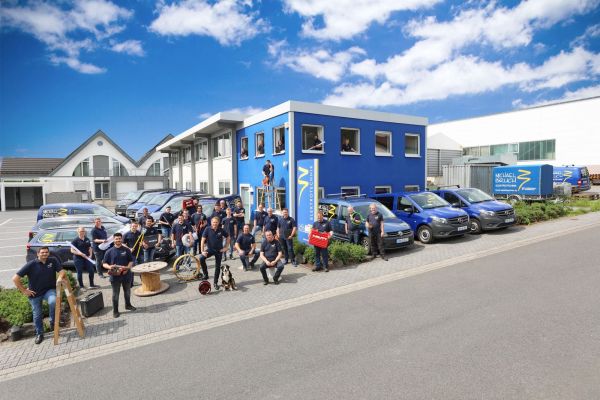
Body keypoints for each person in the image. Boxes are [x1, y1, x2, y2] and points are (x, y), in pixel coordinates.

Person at [13, 247, 66, 344]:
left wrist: (59, 278)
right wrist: (24, 290)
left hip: (49, 290)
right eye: (42, 252)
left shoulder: (53, 261)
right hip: (35, 294)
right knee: (37, 315)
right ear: (38, 254)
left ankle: (52, 322)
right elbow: (15, 278)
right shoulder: (31, 264)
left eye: (46, 252)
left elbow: (62, 271)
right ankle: (39, 334)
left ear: (48, 253)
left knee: (53, 301)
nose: (44, 254)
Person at [102, 233, 136, 318]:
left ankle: (128, 305)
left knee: (127, 292)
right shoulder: (109, 251)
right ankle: (115, 311)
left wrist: (127, 268)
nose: (118, 240)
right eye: (116, 239)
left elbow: (131, 261)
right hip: (115, 277)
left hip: (126, 275)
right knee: (115, 294)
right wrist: (110, 267)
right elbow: (104, 263)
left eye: (119, 238)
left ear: (122, 239)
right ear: (113, 240)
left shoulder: (126, 250)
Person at [199, 217, 230, 290]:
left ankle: (215, 283)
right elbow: (202, 240)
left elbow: (228, 237)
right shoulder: (207, 229)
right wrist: (202, 251)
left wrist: (226, 247)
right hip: (210, 250)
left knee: (217, 267)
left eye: (216, 222)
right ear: (211, 222)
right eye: (213, 222)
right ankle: (205, 275)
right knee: (201, 258)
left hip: (219, 251)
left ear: (218, 223)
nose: (215, 224)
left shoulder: (221, 230)